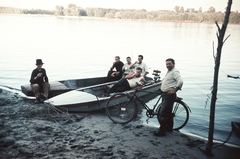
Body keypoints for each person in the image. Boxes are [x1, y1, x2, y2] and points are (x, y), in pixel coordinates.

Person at [154, 58, 183, 136]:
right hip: (165, 94)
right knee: (168, 113)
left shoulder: (175, 71)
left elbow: (180, 81)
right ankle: (169, 128)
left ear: (174, 64)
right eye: (167, 64)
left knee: (162, 113)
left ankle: (162, 131)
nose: (168, 65)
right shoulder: (170, 71)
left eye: (169, 64)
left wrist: (174, 90)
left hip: (169, 95)